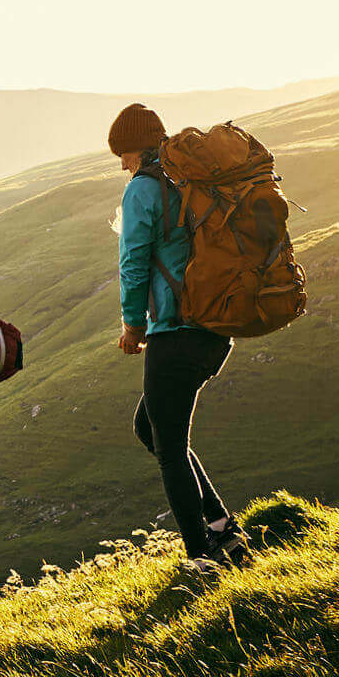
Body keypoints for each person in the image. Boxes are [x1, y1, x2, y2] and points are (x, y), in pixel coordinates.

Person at [109, 104, 249, 570]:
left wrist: (133, 325)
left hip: (176, 334)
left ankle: (201, 558)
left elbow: (133, 264)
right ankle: (221, 529)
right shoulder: (187, 182)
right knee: (149, 427)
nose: (121, 164)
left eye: (122, 153)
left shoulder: (143, 190)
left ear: (135, 148)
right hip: (214, 329)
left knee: (168, 445)